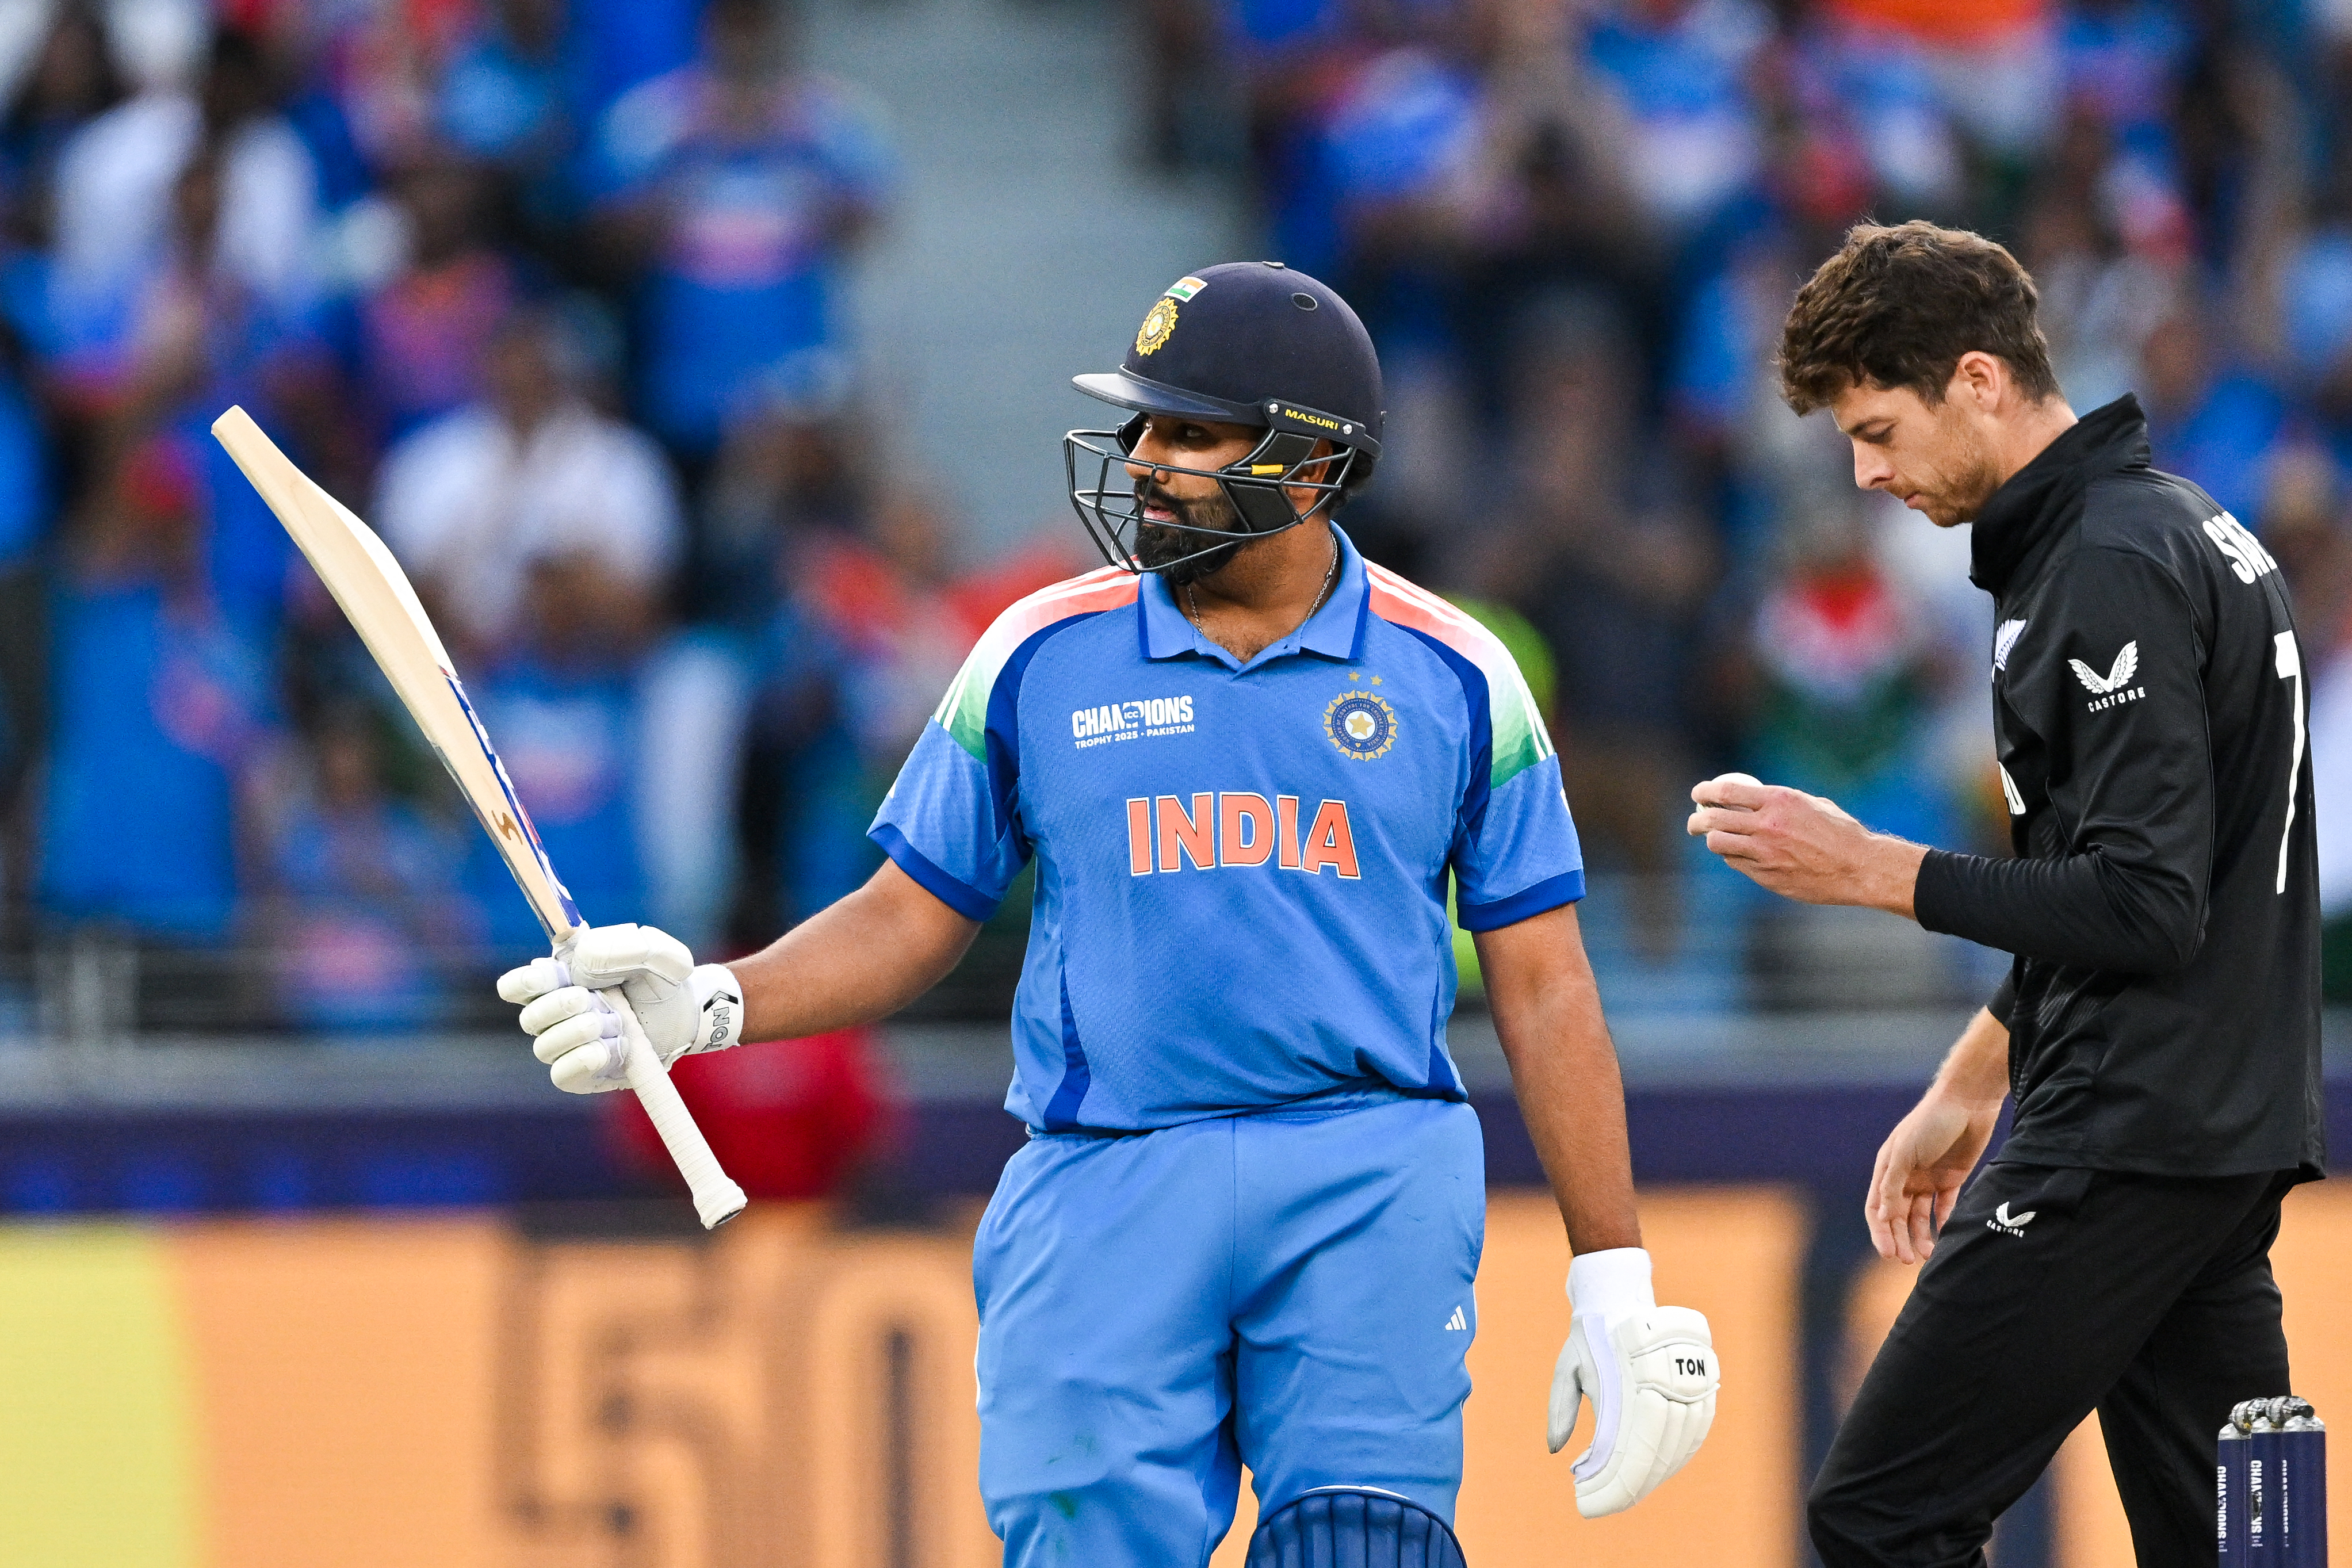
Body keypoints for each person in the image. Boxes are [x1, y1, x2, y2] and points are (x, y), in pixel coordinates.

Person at [496, 261, 1719, 1564]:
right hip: (1103, 1173)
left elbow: (1545, 985)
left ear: (1311, 466)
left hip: (1366, 1173)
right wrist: (713, 1002)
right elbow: (908, 913)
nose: (1142, 461)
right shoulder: (1035, 651)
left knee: (1364, 1545)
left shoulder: (1460, 674)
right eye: (1142, 426)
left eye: (1191, 433)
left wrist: (1613, 1274)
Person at [1688, 220, 2323, 1566]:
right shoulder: (2180, 528)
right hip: (2213, 1130)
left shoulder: (2102, 565)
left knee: (1879, 1514)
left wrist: (1867, 868)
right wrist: (1973, 1077)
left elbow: (2143, 903)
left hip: (2120, 1133)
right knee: (2232, 1549)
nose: (1865, 474)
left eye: (1877, 430)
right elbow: (2133, 882)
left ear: (1976, 380)